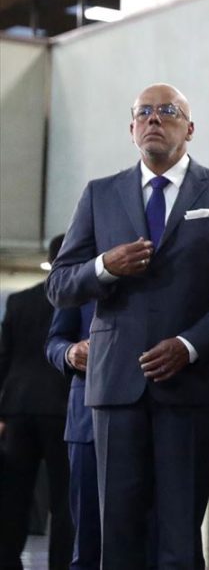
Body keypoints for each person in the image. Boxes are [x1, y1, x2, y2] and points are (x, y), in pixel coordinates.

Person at [46, 83, 209, 568]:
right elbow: (59, 285)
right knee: (115, 533)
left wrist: (189, 344)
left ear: (190, 127)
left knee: (180, 537)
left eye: (167, 111)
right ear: (131, 129)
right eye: (144, 112)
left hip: (191, 384)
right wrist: (105, 267)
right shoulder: (100, 194)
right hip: (116, 385)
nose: (154, 119)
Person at [0, 235, 73, 570]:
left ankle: (6, 558)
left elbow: (3, 359)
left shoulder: (19, 301)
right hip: (61, 410)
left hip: (17, 409)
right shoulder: (79, 303)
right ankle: (61, 562)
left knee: (14, 493)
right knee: (63, 498)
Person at [44, 300, 98, 569]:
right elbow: (55, 340)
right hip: (87, 419)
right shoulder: (82, 276)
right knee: (87, 536)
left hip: (158, 413)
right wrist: (68, 352)